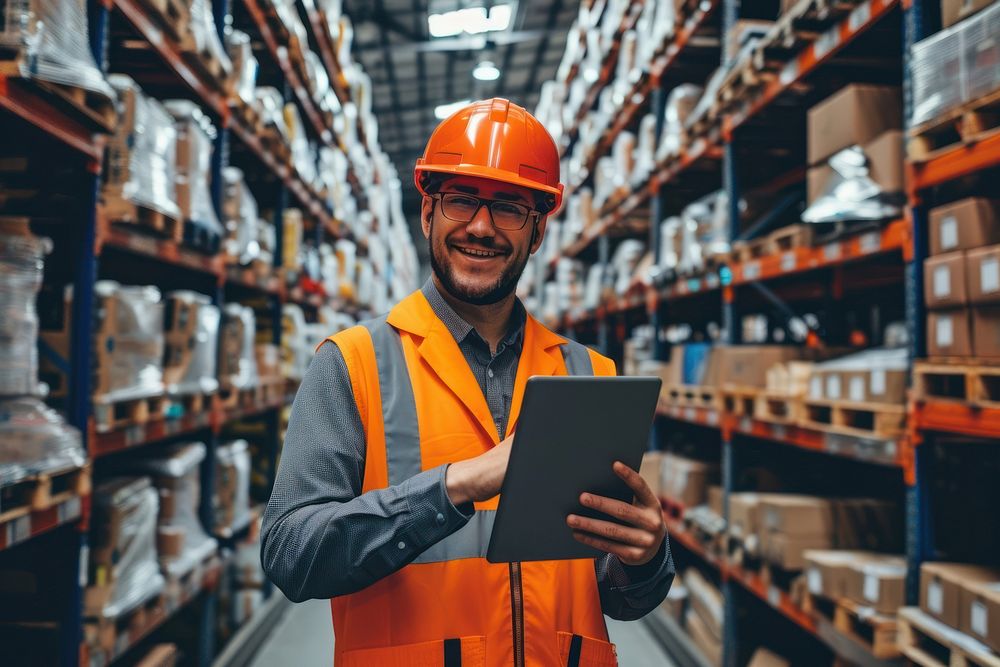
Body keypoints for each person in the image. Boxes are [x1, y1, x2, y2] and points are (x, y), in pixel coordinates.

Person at [261, 98, 674, 667]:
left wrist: (645, 558)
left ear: (537, 232)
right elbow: (291, 554)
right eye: (461, 201)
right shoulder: (353, 363)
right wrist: (452, 487)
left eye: (509, 208)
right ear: (429, 212)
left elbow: (612, 594)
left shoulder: (590, 374)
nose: (482, 227)